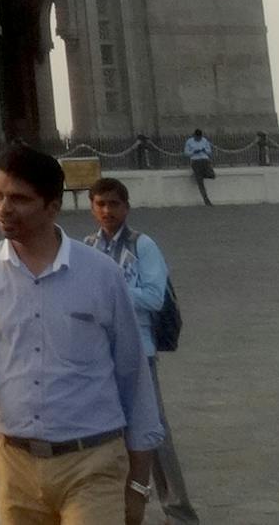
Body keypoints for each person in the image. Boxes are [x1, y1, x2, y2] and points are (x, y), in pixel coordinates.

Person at [0, 145, 163, 525]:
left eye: (19, 199)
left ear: (52, 206)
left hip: (93, 463)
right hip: (15, 467)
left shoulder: (100, 274)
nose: (3, 208)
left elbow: (133, 377)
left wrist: (139, 486)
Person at [86, 178, 199, 522]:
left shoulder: (142, 245)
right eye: (101, 204)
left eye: (115, 204)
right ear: (92, 207)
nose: (107, 211)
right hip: (102, 353)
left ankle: (177, 510)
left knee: (153, 431)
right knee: (109, 434)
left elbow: (154, 297)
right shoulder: (89, 247)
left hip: (140, 350)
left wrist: (111, 293)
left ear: (127, 207)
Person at [182, 129, 215, 205]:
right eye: (197, 138)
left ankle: (198, 175)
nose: (198, 139)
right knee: (200, 183)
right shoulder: (189, 142)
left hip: (205, 160)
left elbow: (209, 151)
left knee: (212, 175)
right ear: (194, 136)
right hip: (195, 160)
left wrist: (204, 151)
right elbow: (186, 153)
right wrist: (193, 152)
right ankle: (206, 199)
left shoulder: (204, 140)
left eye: (200, 138)